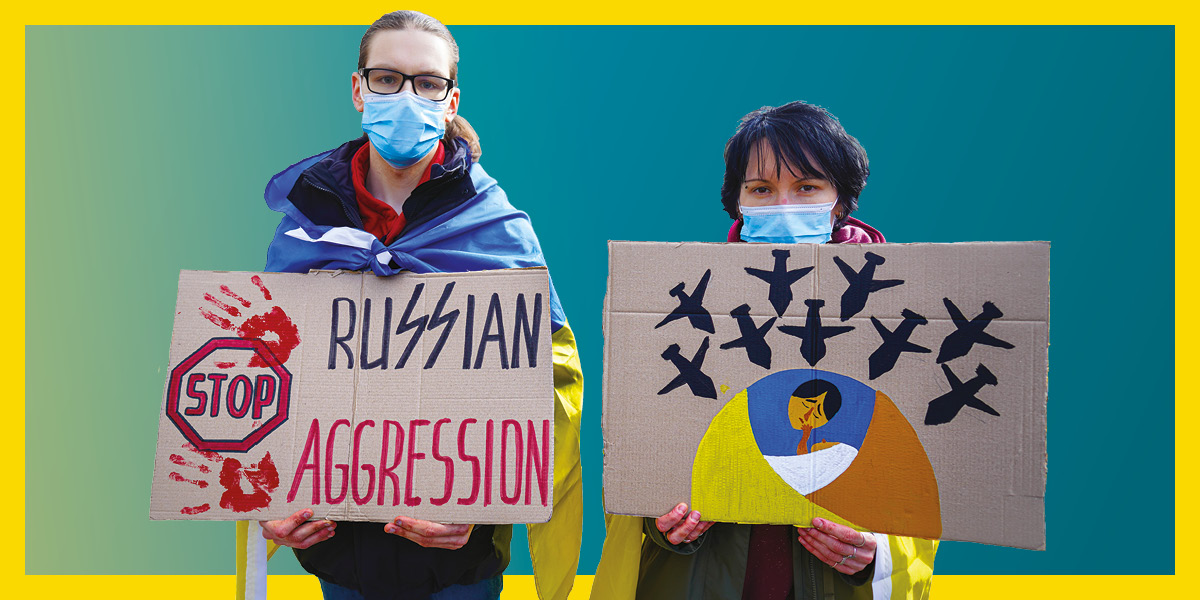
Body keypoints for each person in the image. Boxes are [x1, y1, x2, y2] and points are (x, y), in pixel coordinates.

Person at [236, 10, 584, 600]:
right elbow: (260, 371)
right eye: (388, 79)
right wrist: (265, 495)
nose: (407, 96)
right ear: (358, 89)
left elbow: (551, 384)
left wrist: (487, 500)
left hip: (457, 566)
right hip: (336, 557)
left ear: (450, 101)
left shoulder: (498, 228)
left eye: (427, 83)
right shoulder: (307, 225)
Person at [592, 102, 937, 600]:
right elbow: (640, 451)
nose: (784, 206)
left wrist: (879, 554)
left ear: (840, 202)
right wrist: (658, 523)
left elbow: (926, 471)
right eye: (761, 190)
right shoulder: (678, 308)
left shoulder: (897, 316)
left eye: (806, 187)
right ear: (737, 203)